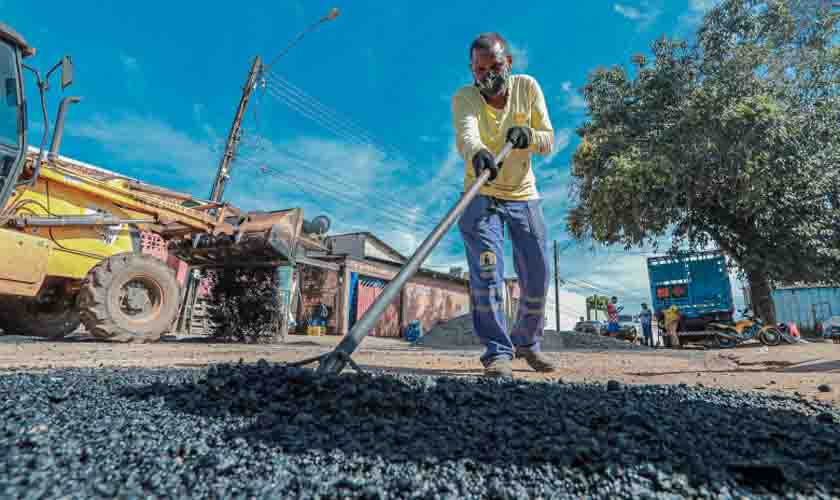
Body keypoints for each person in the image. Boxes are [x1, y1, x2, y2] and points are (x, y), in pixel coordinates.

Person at [452, 32, 556, 378]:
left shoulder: (527, 88)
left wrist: (528, 136)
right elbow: (468, 136)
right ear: (472, 70)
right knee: (487, 271)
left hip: (523, 194)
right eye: (480, 70)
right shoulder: (465, 98)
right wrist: (478, 152)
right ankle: (498, 351)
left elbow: (548, 140)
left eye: (495, 66)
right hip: (481, 195)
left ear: (508, 63)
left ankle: (526, 342)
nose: (488, 75)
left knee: (538, 272)